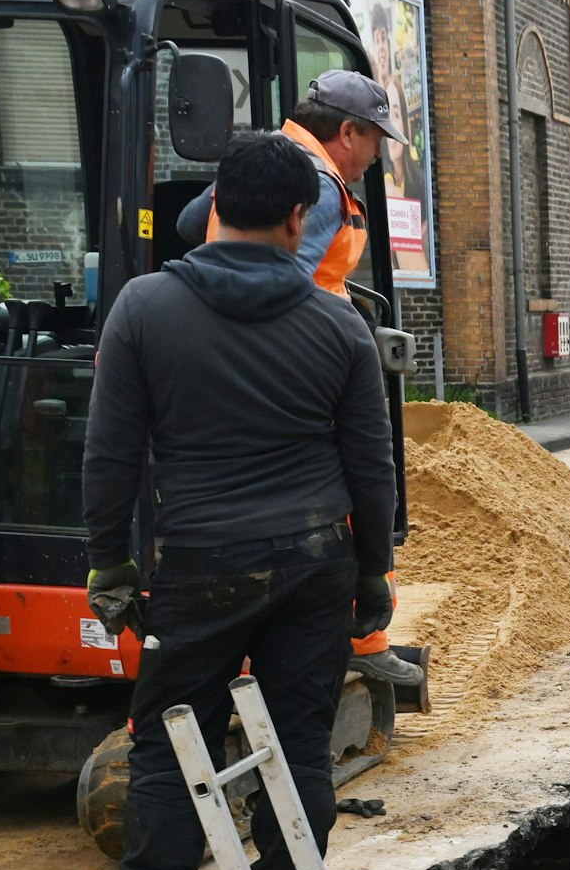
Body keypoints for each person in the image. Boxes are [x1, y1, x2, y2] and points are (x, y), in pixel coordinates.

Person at [79, 132, 397, 870]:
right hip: (312, 564)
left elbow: (109, 457)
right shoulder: (339, 324)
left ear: (216, 206)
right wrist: (373, 575)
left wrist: (109, 566)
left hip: (197, 563)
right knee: (299, 742)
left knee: (170, 743)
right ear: (301, 219)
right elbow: (372, 467)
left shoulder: (144, 308)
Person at [177, 71, 420, 687]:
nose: (377, 156)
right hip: (304, 368)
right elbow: (283, 280)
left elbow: (188, 223)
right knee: (349, 493)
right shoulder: (315, 186)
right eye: (375, 141)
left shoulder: (266, 164)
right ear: (347, 132)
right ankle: (362, 639)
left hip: (236, 361)